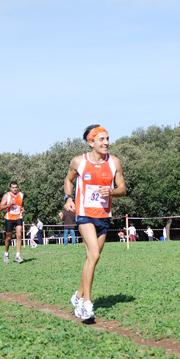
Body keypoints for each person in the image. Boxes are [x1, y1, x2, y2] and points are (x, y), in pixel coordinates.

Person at [64, 124, 126, 321]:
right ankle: (86, 304)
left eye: (107, 138)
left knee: (93, 258)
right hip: (84, 215)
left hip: (104, 215)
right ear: (91, 142)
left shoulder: (114, 162)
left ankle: (78, 295)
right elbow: (68, 180)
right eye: (102, 139)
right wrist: (67, 198)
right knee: (94, 253)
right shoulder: (79, 162)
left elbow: (123, 188)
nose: (106, 142)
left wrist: (113, 191)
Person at [0, 181, 24, 263]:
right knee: (8, 238)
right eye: (13, 187)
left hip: (18, 217)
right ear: (10, 188)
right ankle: (6, 254)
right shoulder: (7, 195)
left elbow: (20, 205)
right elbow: (0, 208)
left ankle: (18, 255)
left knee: (19, 235)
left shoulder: (21, 195)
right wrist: (8, 205)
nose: (14, 189)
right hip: (9, 218)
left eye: (16, 187)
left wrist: (22, 209)